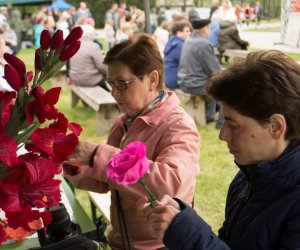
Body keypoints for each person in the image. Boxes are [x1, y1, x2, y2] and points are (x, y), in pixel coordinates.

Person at [138, 50, 300, 249]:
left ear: (275, 126)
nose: (222, 135)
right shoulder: (248, 178)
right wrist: (184, 220)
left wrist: (187, 233)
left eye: (233, 124)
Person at [63, 33, 200, 250]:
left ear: (152, 80)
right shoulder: (124, 123)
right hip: (121, 241)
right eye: (111, 83)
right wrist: (80, 167)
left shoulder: (177, 125)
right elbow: (111, 181)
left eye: (122, 84)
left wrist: (99, 156)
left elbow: (171, 186)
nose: (115, 93)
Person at [178, 18, 221, 123]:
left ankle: (212, 112)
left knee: (212, 81)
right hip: (195, 84)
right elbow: (214, 70)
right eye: (209, 28)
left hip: (183, 82)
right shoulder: (204, 44)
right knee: (217, 84)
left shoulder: (188, 40)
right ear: (205, 29)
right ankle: (209, 116)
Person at [68, 24, 108, 91]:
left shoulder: (74, 45)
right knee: (111, 80)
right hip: (89, 80)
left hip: (75, 78)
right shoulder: (93, 46)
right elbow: (101, 67)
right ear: (91, 35)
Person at [164, 20, 192, 90]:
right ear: (179, 33)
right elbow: (187, 64)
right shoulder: (180, 45)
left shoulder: (171, 42)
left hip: (168, 79)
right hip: (176, 81)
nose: (190, 33)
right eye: (187, 31)